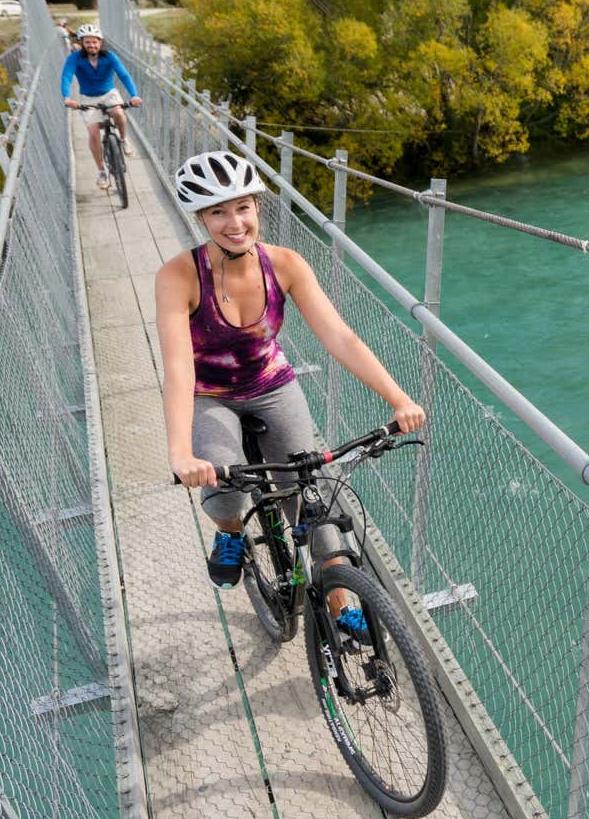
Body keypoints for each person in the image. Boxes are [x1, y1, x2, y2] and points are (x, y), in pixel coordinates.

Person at [158, 151, 426, 633]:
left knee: (313, 495)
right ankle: (230, 532)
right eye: (218, 211)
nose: (234, 222)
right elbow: (178, 367)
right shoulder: (178, 277)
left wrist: (398, 398)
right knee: (226, 488)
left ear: (258, 207)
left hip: (270, 383)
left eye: (243, 207)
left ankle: (342, 599)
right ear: (201, 218)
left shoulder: (284, 264)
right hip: (209, 393)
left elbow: (339, 336)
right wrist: (179, 451)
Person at [59, 24, 142, 194]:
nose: (92, 45)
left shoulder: (110, 56)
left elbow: (124, 75)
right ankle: (101, 171)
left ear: (100, 42)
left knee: (118, 111)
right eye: (88, 42)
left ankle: (124, 139)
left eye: (95, 42)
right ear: (82, 43)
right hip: (88, 97)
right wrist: (67, 97)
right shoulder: (74, 58)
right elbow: (67, 76)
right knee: (94, 132)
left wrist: (134, 95)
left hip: (109, 93)